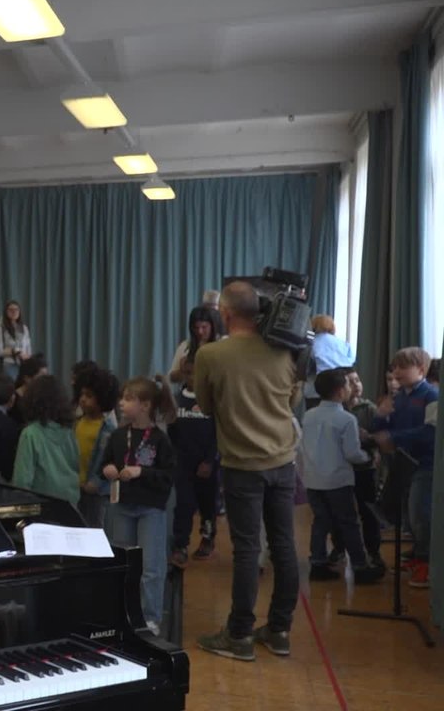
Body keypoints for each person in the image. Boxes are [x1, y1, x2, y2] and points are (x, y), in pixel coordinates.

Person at [194, 281, 302, 663]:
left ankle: (239, 635)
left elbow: (205, 406)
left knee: (246, 551)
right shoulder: (284, 349)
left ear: (224, 313)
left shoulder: (211, 355)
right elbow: (293, 398)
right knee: (284, 546)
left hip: (242, 465)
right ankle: (279, 631)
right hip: (283, 461)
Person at [100, 376, 177, 635]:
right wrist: (108, 470)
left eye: (128, 399)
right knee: (123, 563)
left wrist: (141, 473)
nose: (121, 403)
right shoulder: (118, 435)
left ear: (145, 405)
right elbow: (106, 463)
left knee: (151, 566)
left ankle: (150, 618)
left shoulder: (159, 439)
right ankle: (123, 613)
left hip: (150, 508)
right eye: (122, 398)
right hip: (121, 506)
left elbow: (168, 476)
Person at [302, 369, 384, 585]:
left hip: (313, 479)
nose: (351, 388)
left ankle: (317, 564)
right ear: (340, 392)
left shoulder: (308, 415)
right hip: (337, 480)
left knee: (320, 522)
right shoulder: (346, 419)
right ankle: (360, 566)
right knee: (349, 523)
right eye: (347, 385)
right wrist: (368, 457)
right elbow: (352, 453)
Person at [370, 347, 438, 589]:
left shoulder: (432, 396)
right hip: (404, 464)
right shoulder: (399, 397)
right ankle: (420, 553)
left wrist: (394, 437)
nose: (396, 371)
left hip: (425, 465)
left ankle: (428, 565)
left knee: (421, 515)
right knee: (411, 515)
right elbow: (381, 426)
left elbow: (431, 432)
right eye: (394, 366)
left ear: (421, 370)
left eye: (402, 367)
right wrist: (380, 416)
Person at [169, 357, 219, 567]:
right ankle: (180, 545)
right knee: (183, 505)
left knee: (208, 506)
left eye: (196, 373)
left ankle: (207, 538)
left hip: (207, 466)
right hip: (183, 465)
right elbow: (171, 432)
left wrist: (209, 461)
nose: (192, 378)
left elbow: (218, 434)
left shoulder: (212, 402)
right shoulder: (177, 399)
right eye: (188, 373)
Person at [11, 375, 80, 505]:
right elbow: (75, 465)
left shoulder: (30, 434)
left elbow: (22, 479)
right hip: (70, 499)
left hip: (40, 503)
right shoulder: (70, 432)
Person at [341, 369, 384, 569]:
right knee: (343, 513)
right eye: (350, 382)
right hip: (343, 470)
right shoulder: (338, 412)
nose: (356, 384)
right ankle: (340, 549)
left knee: (368, 511)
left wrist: (370, 441)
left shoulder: (370, 408)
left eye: (358, 380)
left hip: (365, 469)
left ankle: (373, 551)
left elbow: (380, 435)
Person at [73, 366, 119, 528]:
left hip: (96, 491)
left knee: (94, 529)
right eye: (82, 394)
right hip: (77, 486)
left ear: (102, 399)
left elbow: (106, 458)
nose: (83, 399)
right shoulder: (78, 421)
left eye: (89, 396)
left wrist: (95, 482)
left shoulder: (108, 428)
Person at [168, 306, 221, 384]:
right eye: (196, 328)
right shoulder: (185, 346)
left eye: (204, 327)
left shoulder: (221, 344)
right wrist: (184, 372)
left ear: (212, 327)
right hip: (189, 392)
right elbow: (171, 377)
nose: (200, 332)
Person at [0, 300, 32, 379]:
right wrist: (15, 351)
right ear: (6, 312)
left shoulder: (24, 328)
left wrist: (27, 358)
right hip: (8, 364)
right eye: (11, 310)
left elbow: (28, 349)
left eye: (16, 309)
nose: (14, 312)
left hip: (23, 365)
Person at [9, 353, 49, 431]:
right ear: (27, 378)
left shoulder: (45, 396)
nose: (46, 380)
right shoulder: (13, 398)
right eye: (42, 376)